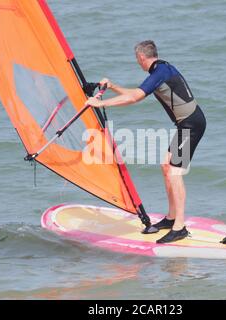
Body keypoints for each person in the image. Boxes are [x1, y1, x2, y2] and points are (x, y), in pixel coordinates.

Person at [85, 40, 206, 243]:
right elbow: (135, 94)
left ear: (141, 57)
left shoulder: (159, 73)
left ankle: (180, 227)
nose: (137, 62)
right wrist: (112, 86)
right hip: (188, 123)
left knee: (175, 172)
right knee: (167, 166)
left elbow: (134, 99)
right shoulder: (161, 70)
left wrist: (101, 103)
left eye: (137, 59)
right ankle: (171, 218)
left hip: (191, 125)